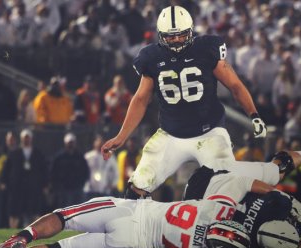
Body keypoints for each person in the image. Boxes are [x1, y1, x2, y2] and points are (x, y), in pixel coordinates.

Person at [101, 6, 285, 198]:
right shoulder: (151, 57)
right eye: (171, 37)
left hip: (210, 133)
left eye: (181, 35)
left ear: (190, 31)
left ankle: (267, 206)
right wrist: (121, 136)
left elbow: (235, 85)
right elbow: (140, 99)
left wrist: (254, 115)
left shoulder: (206, 48)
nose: (177, 40)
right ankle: (136, 227)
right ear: (160, 36)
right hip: (170, 135)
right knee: (135, 189)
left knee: (226, 186)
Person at [0, 198, 251, 248]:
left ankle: (21, 237)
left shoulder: (217, 210)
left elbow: (229, 202)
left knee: (63, 217)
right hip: (130, 243)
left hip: (131, 210)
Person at [1, 129, 47, 228]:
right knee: (14, 213)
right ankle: (12, 235)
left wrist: (45, 184)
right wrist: (4, 182)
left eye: (28, 137)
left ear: (31, 139)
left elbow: (44, 170)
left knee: (34, 212)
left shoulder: (38, 153)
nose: (26, 140)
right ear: (21, 139)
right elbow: (6, 169)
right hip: (17, 188)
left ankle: (35, 233)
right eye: (24, 138)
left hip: (33, 188)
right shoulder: (13, 153)